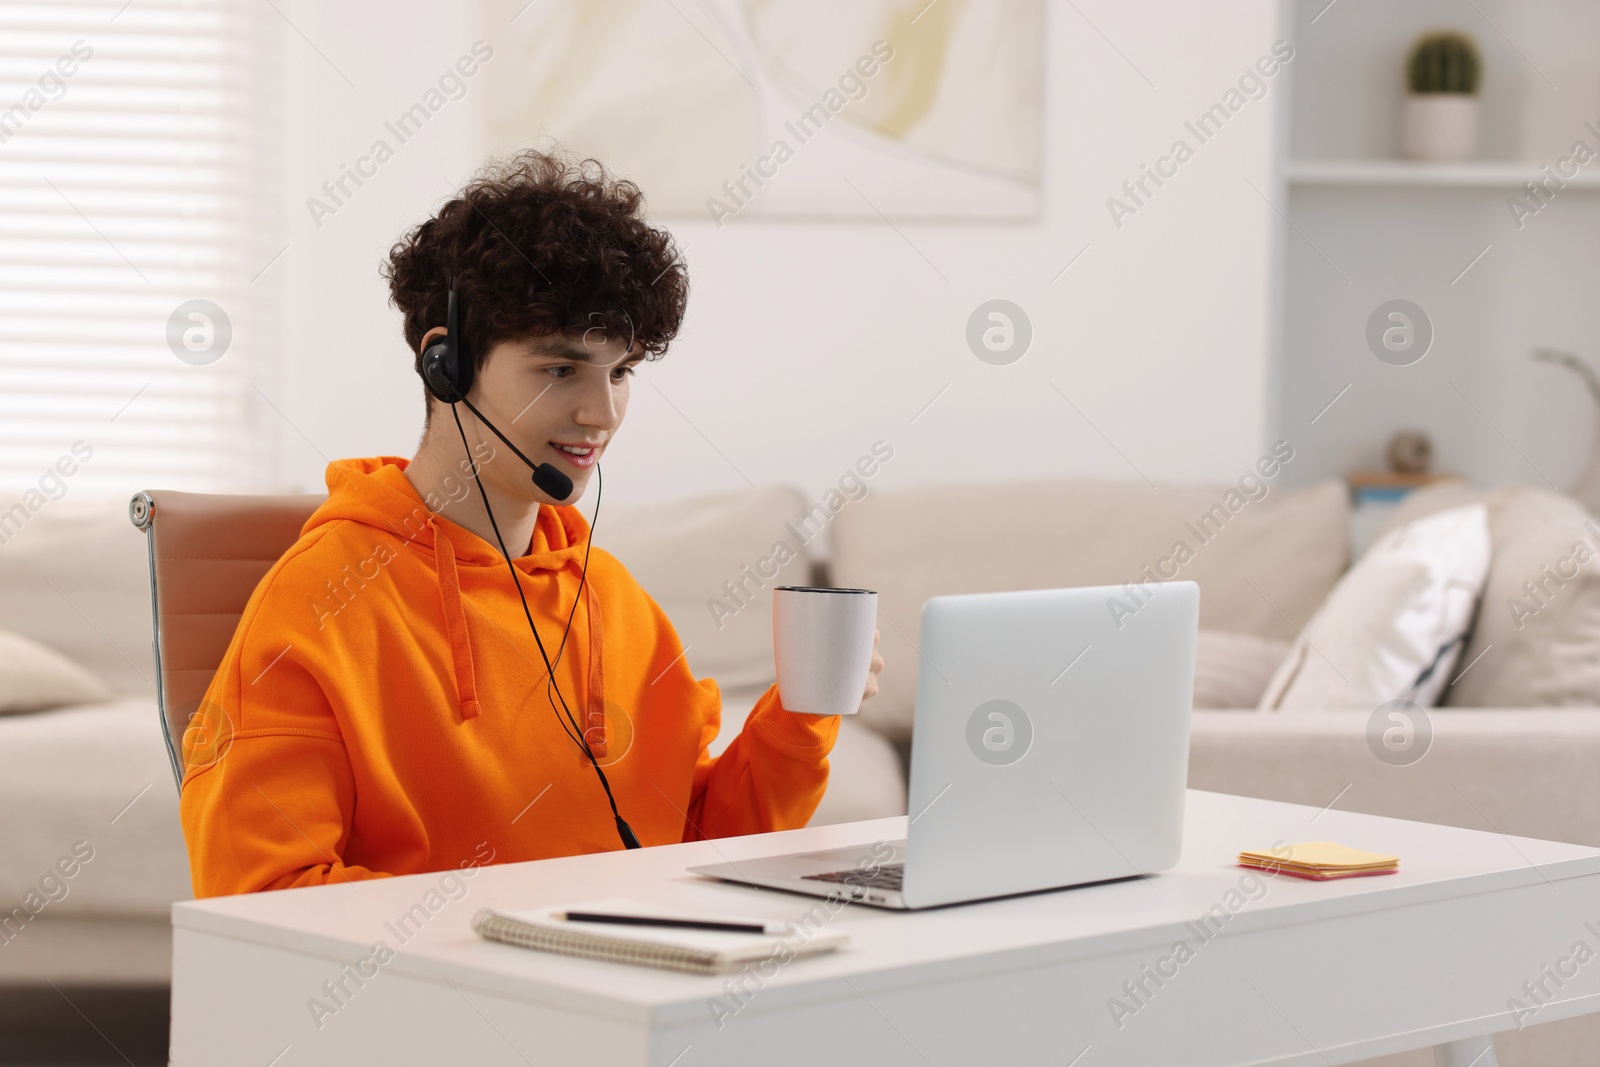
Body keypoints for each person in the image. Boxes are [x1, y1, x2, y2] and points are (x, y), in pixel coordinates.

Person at [178, 149, 884, 897]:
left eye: (621, 372)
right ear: (444, 365)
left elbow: (692, 846)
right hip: (447, 999)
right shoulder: (321, 600)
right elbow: (256, 894)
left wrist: (800, 718)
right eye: (560, 370)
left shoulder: (612, 599)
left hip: (627, 983)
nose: (601, 414)